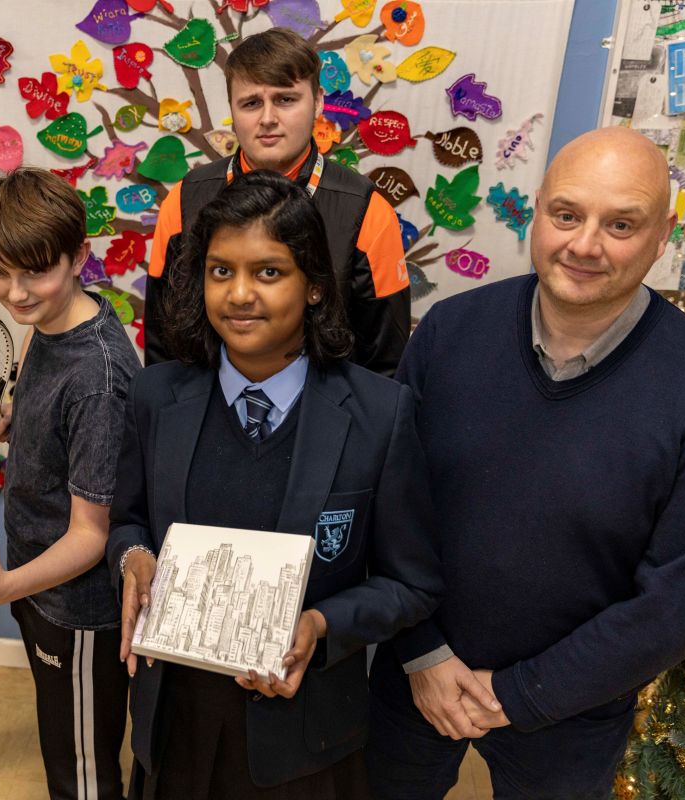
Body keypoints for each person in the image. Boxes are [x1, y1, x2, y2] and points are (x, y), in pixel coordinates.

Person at [364, 127, 685, 799]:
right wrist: (421, 652)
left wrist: (520, 693)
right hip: (416, 675)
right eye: (567, 214)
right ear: (538, 210)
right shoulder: (447, 335)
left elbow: (677, 604)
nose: (584, 245)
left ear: (663, 236)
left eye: (621, 224)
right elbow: (385, 506)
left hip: (574, 709)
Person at [108, 171, 442, 798]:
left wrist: (320, 623)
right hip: (175, 725)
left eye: (268, 272)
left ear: (314, 286)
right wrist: (133, 557)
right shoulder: (156, 396)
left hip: (305, 742)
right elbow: (127, 520)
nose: (239, 295)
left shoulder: (378, 414)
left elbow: (412, 585)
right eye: (220, 271)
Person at [0, 168, 141, 800]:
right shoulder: (48, 318)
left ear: (79, 256)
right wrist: (16, 415)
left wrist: (1, 589)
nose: (15, 294)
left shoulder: (99, 380)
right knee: (62, 741)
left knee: (82, 774)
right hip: (38, 581)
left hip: (78, 609)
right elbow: (52, 411)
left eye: (35, 273)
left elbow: (91, 536)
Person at [142, 28, 410, 376]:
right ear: (232, 109)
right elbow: (164, 345)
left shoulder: (367, 211)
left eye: (285, 99)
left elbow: (386, 365)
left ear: (318, 101)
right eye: (251, 103)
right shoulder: (184, 200)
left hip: (329, 405)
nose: (267, 119)